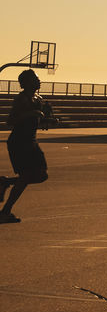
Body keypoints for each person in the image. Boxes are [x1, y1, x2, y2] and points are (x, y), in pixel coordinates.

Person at [0, 69, 53, 223]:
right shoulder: (21, 99)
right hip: (19, 142)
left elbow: (35, 120)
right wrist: (33, 114)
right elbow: (11, 121)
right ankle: (5, 211)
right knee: (27, 176)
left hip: (31, 141)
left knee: (42, 175)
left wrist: (47, 121)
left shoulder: (38, 99)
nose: (39, 81)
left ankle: (5, 182)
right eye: (36, 79)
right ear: (28, 82)